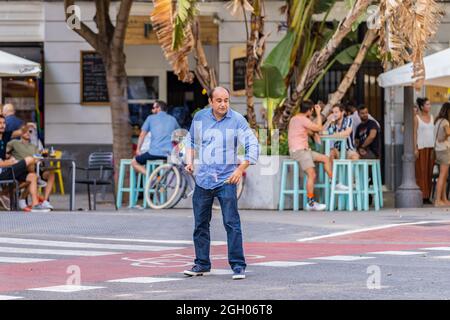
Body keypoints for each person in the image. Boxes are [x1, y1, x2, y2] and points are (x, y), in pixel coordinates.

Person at [183, 87, 259, 280]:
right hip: (203, 179)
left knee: (231, 223)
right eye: (219, 100)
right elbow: (190, 141)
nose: (223, 104)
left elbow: (252, 144)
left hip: (227, 179)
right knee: (200, 224)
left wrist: (240, 169)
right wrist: (189, 161)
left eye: (226, 100)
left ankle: (238, 266)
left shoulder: (237, 120)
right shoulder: (200, 117)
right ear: (210, 101)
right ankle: (201, 264)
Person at [288, 100, 347, 211]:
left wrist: (313, 133)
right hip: (300, 151)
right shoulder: (303, 119)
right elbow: (319, 128)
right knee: (312, 175)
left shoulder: (294, 119)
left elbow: (309, 131)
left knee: (325, 158)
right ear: (310, 110)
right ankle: (310, 203)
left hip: (304, 150)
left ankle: (333, 182)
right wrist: (319, 113)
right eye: (312, 111)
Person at [0, 116, 48, 212]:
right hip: (2, 171)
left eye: (4, 123)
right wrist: (11, 161)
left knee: (32, 176)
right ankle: (3, 195)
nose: (2, 125)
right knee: (30, 159)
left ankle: (35, 205)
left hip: (7, 169)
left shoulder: (4, 136)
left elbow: (21, 131)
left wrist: (28, 126)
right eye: (0, 123)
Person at [6, 124, 55, 210]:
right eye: (26, 131)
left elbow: (39, 158)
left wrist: (43, 157)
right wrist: (9, 157)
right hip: (21, 169)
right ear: (21, 132)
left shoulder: (34, 146)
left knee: (51, 173)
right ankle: (37, 179)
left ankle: (45, 201)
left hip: (36, 168)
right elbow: (4, 152)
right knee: (31, 163)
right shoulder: (14, 143)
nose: (28, 133)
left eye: (30, 131)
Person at [131, 100, 180, 175]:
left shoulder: (150, 118)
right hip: (169, 154)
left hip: (153, 153)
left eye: (154, 108)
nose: (152, 110)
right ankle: (162, 182)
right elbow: (179, 135)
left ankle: (153, 177)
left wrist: (138, 149)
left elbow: (142, 135)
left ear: (159, 108)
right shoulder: (172, 119)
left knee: (134, 162)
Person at [414, 97, 435, 204]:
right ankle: (421, 196)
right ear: (422, 106)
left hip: (431, 147)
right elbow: (414, 133)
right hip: (421, 147)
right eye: (427, 104)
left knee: (429, 172)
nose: (429, 106)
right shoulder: (416, 118)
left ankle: (428, 197)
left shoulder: (432, 117)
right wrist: (415, 148)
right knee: (421, 172)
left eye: (429, 104)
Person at [433, 102, 450, 207]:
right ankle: (438, 200)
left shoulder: (438, 120)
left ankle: (443, 199)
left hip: (438, 150)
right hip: (444, 150)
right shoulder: (445, 122)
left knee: (443, 175)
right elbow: (448, 132)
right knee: (443, 175)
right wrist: (444, 138)